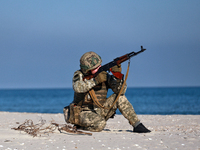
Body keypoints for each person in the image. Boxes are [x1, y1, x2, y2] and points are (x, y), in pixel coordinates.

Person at [63, 51, 150, 133]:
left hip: (100, 110)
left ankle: (137, 125)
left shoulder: (104, 75)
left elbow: (121, 91)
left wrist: (117, 76)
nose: (99, 68)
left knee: (119, 97)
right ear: (87, 70)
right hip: (82, 112)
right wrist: (96, 81)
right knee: (100, 124)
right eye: (96, 67)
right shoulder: (79, 75)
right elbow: (77, 87)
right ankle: (79, 126)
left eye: (99, 65)